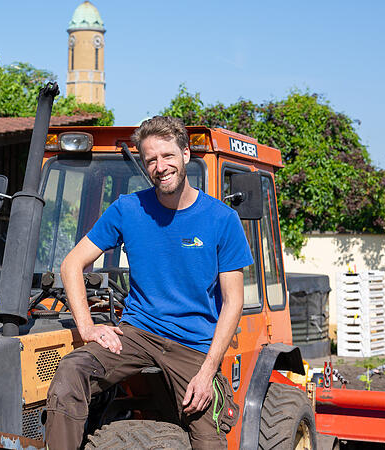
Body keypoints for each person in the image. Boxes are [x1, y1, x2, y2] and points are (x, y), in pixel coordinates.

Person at [45, 116, 253, 449]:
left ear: (185, 154)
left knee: (209, 438)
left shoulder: (221, 218)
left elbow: (233, 302)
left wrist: (207, 371)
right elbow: (72, 264)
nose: (160, 166)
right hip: (138, 333)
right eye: (151, 160)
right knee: (72, 373)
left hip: (194, 345)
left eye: (167, 155)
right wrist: (87, 328)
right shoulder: (129, 209)